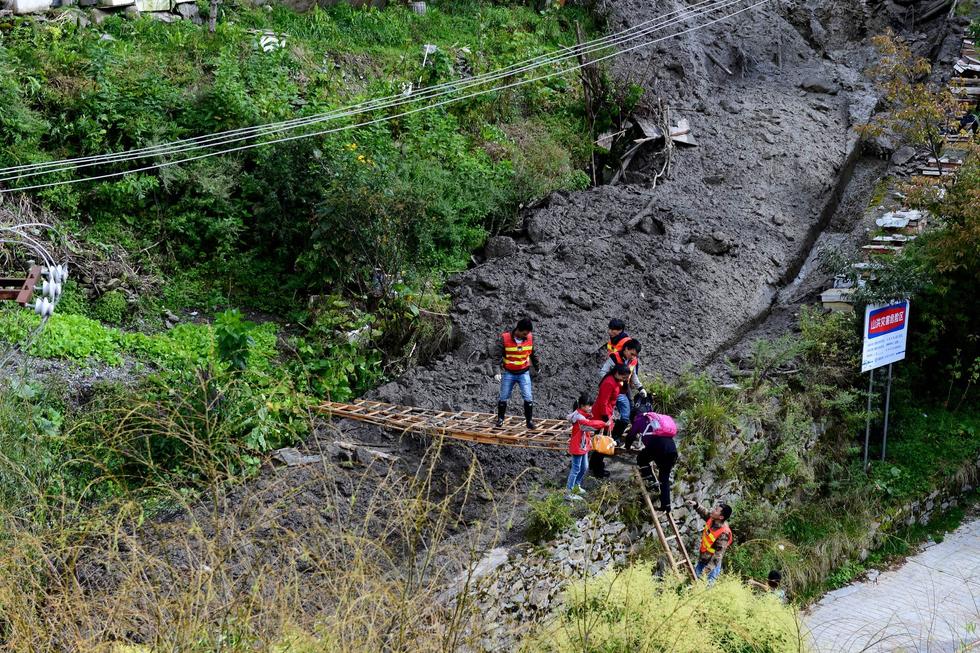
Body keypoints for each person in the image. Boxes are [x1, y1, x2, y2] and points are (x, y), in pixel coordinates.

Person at [598, 339, 646, 446]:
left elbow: (633, 375)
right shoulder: (614, 358)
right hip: (611, 392)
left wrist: (640, 388)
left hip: (623, 391)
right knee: (606, 414)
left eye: (635, 355)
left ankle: (615, 437)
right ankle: (606, 436)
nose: (633, 356)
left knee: (625, 416)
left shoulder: (633, 360)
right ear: (626, 349)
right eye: (631, 353)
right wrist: (612, 382)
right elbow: (602, 372)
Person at [494, 317, 540, 429]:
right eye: (524, 333)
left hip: (524, 372)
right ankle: (500, 419)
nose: (526, 335)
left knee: (528, 397)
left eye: (528, 333)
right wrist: (497, 371)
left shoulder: (529, 338)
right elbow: (496, 356)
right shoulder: (505, 338)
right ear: (518, 330)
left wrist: (537, 367)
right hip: (509, 372)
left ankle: (529, 421)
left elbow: (533, 354)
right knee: (503, 396)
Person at [588, 363, 630, 478]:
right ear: (617, 373)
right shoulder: (608, 383)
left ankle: (593, 465)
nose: (624, 379)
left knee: (600, 440)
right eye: (624, 377)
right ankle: (598, 470)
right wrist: (606, 418)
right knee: (603, 443)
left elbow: (621, 391)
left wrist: (625, 383)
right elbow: (603, 402)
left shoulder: (614, 380)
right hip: (602, 414)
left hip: (606, 413)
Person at [565, 393, 609, 501]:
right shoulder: (579, 417)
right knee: (575, 469)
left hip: (583, 444)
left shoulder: (581, 414)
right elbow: (590, 424)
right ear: (582, 406)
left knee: (584, 466)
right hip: (578, 445)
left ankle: (576, 485)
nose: (590, 408)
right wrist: (604, 423)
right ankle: (568, 492)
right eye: (588, 406)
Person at [633, 410, 678, 512]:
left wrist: (627, 446)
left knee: (642, 459)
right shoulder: (654, 420)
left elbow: (631, 435)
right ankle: (666, 505)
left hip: (657, 447)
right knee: (664, 478)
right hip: (672, 450)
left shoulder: (639, 420)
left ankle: (651, 482)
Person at [686, 500, 733, 585]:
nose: (712, 510)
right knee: (693, 583)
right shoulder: (712, 519)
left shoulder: (724, 533)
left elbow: (718, 556)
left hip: (711, 567)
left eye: (716, 510)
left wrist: (706, 571)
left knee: (704, 588)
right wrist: (696, 505)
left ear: (721, 517)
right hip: (702, 559)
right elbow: (705, 513)